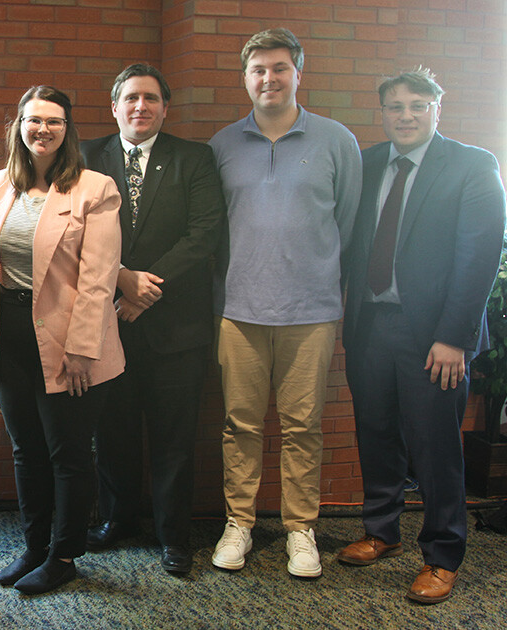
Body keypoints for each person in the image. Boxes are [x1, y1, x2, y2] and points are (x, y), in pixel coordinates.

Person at [337, 68, 505, 603]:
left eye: (416, 105)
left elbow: (478, 256)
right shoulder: (366, 163)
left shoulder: (473, 165)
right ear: (382, 112)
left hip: (435, 339)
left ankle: (442, 554)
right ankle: (381, 531)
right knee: (377, 434)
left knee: (436, 448)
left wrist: (454, 337)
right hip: (370, 328)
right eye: (394, 107)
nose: (405, 116)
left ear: (437, 109)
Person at [207, 27, 362, 578]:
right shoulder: (223, 145)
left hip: (312, 311)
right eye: (258, 70)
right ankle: (239, 523)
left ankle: (301, 529)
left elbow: (346, 224)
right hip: (238, 311)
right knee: (240, 424)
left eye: (279, 68)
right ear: (246, 78)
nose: (268, 79)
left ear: (299, 73)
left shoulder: (336, 141)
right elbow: (214, 231)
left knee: (303, 426)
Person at [0, 85, 124, 595]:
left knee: (68, 453)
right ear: (18, 125)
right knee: (26, 450)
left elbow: (99, 277)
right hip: (10, 337)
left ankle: (64, 555)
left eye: (54, 122)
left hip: (68, 342)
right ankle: (35, 546)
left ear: (67, 129)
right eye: (34, 120)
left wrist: (83, 349)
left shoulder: (94, 189)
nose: (43, 130)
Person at [80, 63, 226, 574]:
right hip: (105, 323)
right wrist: (121, 276)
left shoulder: (195, 159)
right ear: (114, 107)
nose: (140, 107)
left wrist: (145, 288)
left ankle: (174, 536)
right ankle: (117, 519)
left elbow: (204, 235)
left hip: (175, 329)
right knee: (113, 432)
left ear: (166, 107)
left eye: (151, 99)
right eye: (131, 98)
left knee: (174, 438)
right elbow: (70, 232)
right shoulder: (86, 157)